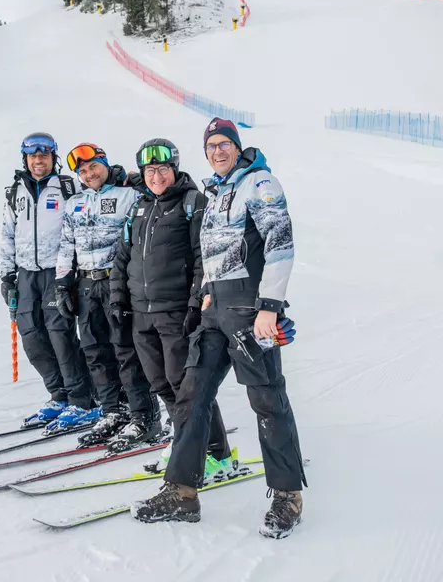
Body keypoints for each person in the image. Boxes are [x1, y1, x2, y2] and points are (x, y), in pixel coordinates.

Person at [131, 118, 306, 539]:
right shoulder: (216, 190)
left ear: (237, 146)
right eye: (211, 146)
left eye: (224, 144)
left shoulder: (259, 183)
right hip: (215, 311)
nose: (217, 151)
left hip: (249, 311)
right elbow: (214, 251)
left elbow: (280, 244)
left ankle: (287, 496)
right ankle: (182, 491)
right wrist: (208, 290)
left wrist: (270, 305)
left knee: (267, 400)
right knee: (191, 396)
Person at [110, 138, 235, 478]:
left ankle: (217, 453)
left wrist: (196, 303)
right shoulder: (139, 208)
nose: (155, 176)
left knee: (188, 387)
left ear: (174, 169)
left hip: (176, 312)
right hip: (141, 313)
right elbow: (123, 257)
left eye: (162, 169)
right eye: (149, 170)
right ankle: (184, 439)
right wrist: (117, 300)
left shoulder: (192, 203)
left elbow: (203, 258)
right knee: (161, 384)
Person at [55, 143, 161, 449]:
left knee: (125, 350)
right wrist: (62, 284)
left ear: (104, 163)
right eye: (83, 171)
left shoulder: (127, 195)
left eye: (93, 167)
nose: (89, 175)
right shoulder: (74, 203)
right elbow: (66, 245)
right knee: (95, 352)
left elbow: (153, 214)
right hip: (86, 285)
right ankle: (113, 411)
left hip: (118, 283)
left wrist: (142, 185)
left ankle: (145, 416)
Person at [0, 132, 96, 432]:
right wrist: (6, 275)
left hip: (59, 272)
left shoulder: (68, 188)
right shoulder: (15, 192)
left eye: (44, 155)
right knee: (31, 336)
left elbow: (94, 199)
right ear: (26, 159)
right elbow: (7, 234)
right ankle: (59, 396)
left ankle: (82, 401)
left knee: (61, 336)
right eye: (32, 156)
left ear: (53, 158)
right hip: (26, 273)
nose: (38, 160)